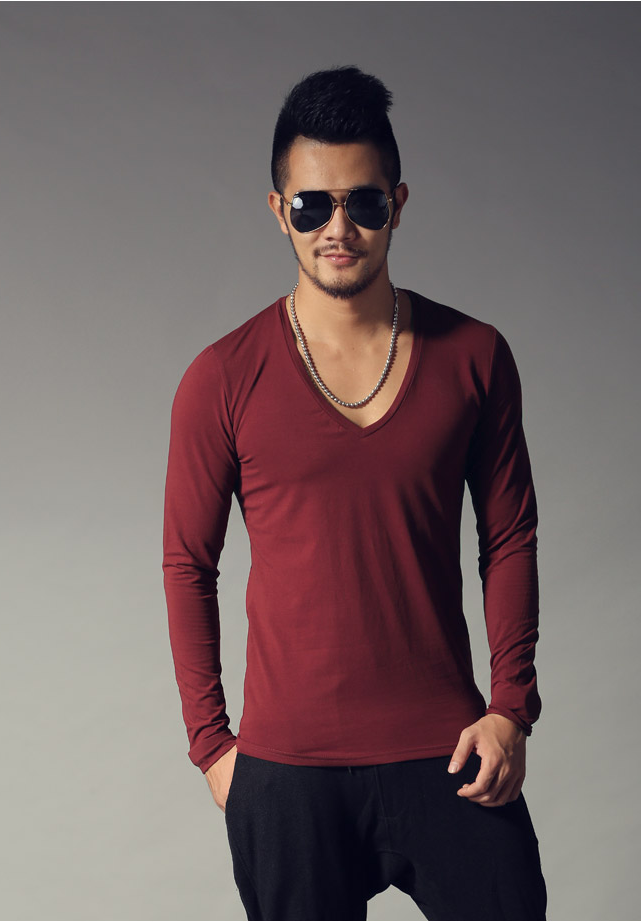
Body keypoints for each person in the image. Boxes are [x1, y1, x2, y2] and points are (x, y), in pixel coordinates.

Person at [162, 65, 547, 921]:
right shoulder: (221, 378)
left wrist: (511, 709)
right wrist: (213, 747)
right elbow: (188, 565)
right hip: (287, 774)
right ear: (279, 210)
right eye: (312, 206)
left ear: (397, 205)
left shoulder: (475, 356)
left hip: (452, 752)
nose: (338, 229)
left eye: (363, 203)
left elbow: (509, 537)